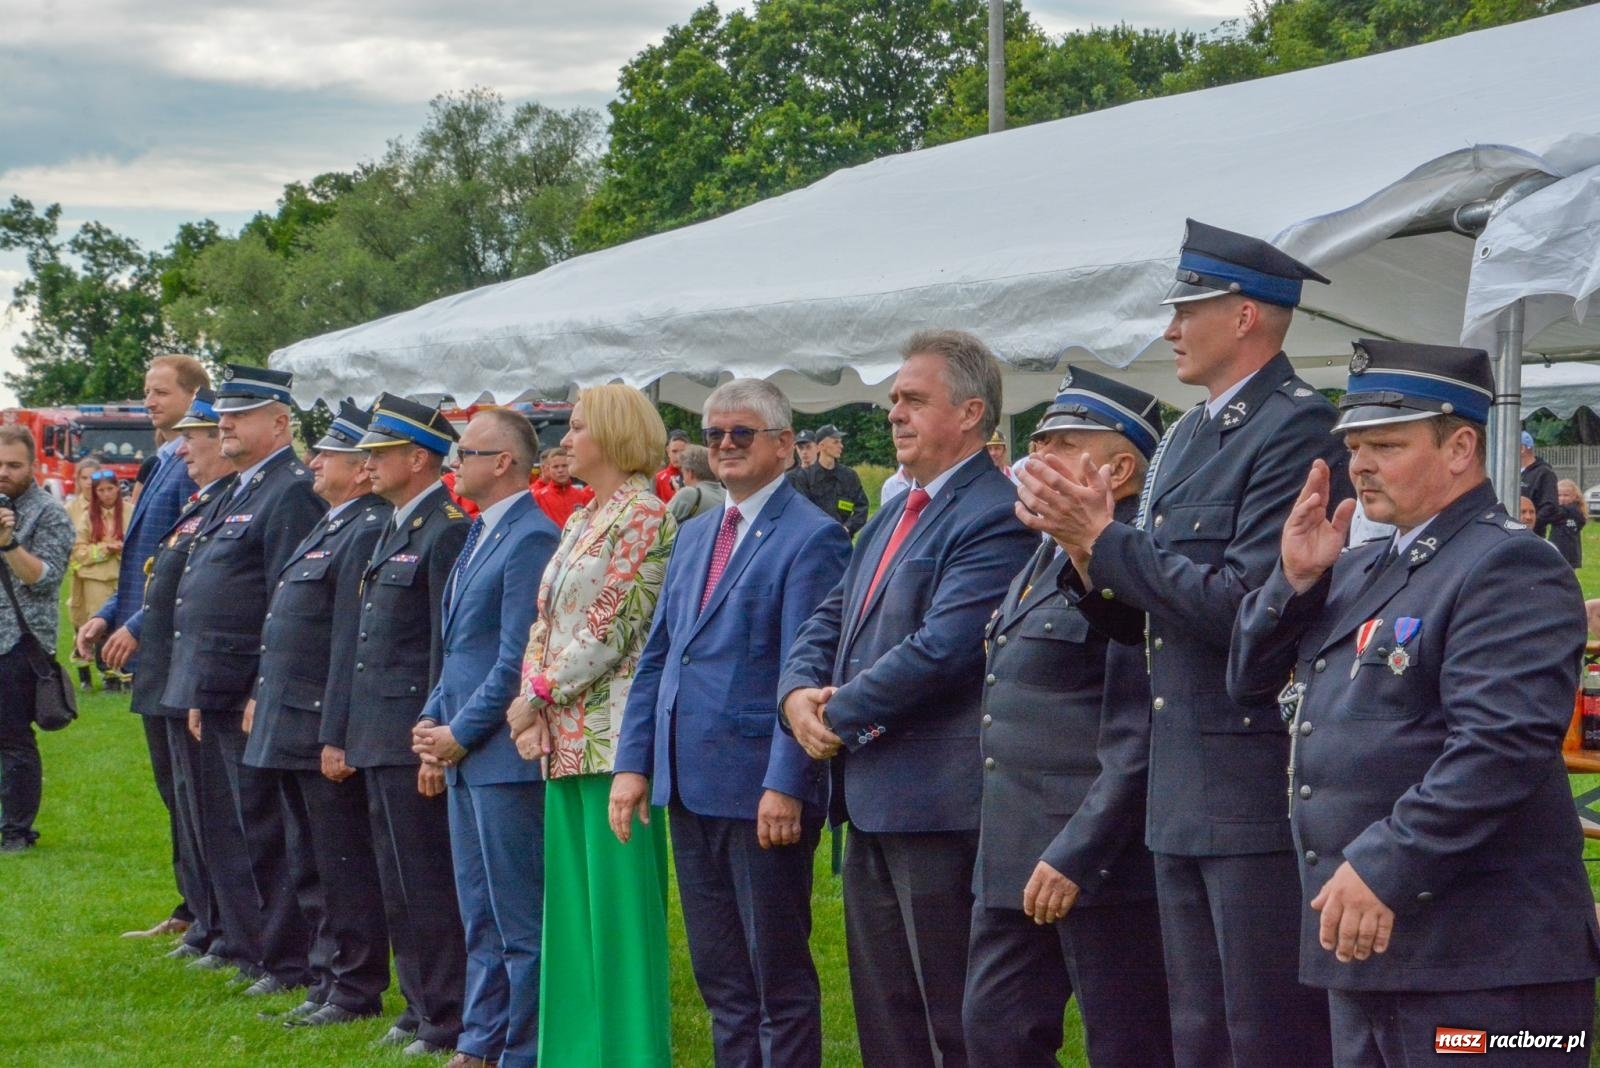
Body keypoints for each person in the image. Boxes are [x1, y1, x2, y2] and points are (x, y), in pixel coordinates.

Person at [1016, 219, 1345, 1067]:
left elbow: (1245, 606)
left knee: (1263, 1031)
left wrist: (1105, 539)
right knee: (1195, 1032)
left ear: (1243, 316)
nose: (1169, 329)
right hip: (1181, 781)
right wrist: (1088, 556)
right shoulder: (1192, 433)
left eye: (1186, 309)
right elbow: (1148, 613)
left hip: (1246, 781)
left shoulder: (1294, 429)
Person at [1229, 339, 1600, 1066]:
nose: (1360, 464)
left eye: (1386, 444)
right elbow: (1247, 685)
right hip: (1373, 948)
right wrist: (1292, 583)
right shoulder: (1363, 561)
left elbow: (1499, 748)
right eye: (1354, 445)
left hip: (1482, 964)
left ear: (1461, 446)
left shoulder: (1507, 562)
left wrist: (1383, 865)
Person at [779, 330, 1037, 1068]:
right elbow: (830, 616)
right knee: (887, 1016)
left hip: (942, 807)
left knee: (953, 1017)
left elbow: (945, 649)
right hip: (871, 798)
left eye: (913, 399)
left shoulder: (995, 513)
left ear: (970, 412)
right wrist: (797, 693)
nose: (894, 412)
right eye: (893, 398)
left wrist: (835, 714)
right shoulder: (896, 511)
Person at [613, 379, 851, 1068]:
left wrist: (786, 782)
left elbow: (801, 672)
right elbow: (659, 657)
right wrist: (635, 765)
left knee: (775, 975)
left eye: (740, 433)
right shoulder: (692, 533)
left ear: (783, 445)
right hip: (688, 786)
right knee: (721, 977)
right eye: (713, 433)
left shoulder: (815, 539)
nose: (722, 445)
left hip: (759, 792)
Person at [963, 367, 1174, 1068]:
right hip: (1013, 852)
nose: (1035, 458)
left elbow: (1139, 732)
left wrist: (1079, 851)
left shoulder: (1133, 564)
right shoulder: (1042, 551)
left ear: (1116, 470)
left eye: (1059, 445)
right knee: (994, 1032)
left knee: (1128, 1045)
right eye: (1040, 441)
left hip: (1097, 861)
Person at [506, 383, 677, 1067]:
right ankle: (576, 1052)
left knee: (619, 916)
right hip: (562, 738)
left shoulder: (646, 516)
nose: (566, 440)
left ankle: (631, 1054)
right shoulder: (581, 518)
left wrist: (538, 694)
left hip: (614, 738)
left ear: (612, 434)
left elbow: (614, 625)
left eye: (578, 428)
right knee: (572, 916)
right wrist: (531, 705)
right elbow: (544, 621)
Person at [164, 365, 327, 992]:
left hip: (252, 688)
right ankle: (253, 945)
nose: (222, 423)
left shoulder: (288, 490)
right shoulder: (240, 486)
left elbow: (286, 602)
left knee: (266, 827)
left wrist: (263, 686)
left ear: (280, 422)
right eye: (223, 415)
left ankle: (284, 958)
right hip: (220, 683)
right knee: (236, 825)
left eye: (239, 415)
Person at [410, 409, 560, 1068]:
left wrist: (459, 735)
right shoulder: (480, 532)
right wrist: (430, 718)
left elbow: (514, 660)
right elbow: (458, 650)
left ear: (504, 462)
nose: (453, 463)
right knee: (480, 914)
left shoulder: (529, 536)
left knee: (518, 920)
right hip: (468, 752)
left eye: (465, 452)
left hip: (501, 756)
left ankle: (520, 1051)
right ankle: (479, 1042)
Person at [243, 400, 394, 1029]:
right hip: (293, 716)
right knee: (311, 860)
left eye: (327, 453)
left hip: (319, 721)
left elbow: (346, 641)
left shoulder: (364, 528)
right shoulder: (334, 521)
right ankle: (328, 974)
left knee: (341, 865)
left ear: (361, 469)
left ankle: (354, 986)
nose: (313, 461)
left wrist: (335, 731)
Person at [331, 392, 471, 1056]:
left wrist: (432, 738)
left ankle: (445, 1013)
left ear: (418, 458)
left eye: (380, 453)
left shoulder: (444, 528)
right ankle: (419, 1004)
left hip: (412, 732)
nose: (368, 465)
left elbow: (446, 645)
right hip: (378, 730)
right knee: (396, 878)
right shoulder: (391, 525)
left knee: (426, 882)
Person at [75, 353, 206, 938]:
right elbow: (143, 564)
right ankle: (192, 908)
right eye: (146, 391)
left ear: (193, 397)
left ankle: (203, 913)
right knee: (172, 787)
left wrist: (138, 624)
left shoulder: (188, 466)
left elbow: (183, 573)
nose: (148, 402)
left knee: (190, 791)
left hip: (172, 650)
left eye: (160, 393)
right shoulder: (162, 463)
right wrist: (107, 614)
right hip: (147, 641)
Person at [112, 391, 235, 968]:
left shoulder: (224, 496)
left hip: (197, 669)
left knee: (209, 807)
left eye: (198, 435)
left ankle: (219, 924)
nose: (184, 446)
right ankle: (201, 917)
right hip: (169, 663)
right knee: (184, 802)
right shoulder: (191, 485)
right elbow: (153, 567)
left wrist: (131, 622)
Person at [0, 426, 75, 853]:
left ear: (33, 466)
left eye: (14, 465)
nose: (4, 473)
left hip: (19, 642)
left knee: (12, 738)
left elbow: (44, 581)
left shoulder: (48, 513)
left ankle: (16, 830)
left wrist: (8, 543)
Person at [67, 468, 124, 692]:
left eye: (110, 489)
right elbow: (77, 550)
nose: (106, 494)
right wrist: (102, 549)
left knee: (122, 625)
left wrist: (120, 548)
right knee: (95, 625)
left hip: (122, 577)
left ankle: (122, 674)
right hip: (95, 579)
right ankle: (98, 674)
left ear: (118, 489)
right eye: (100, 490)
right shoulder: (86, 516)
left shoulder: (129, 511)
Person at [789, 424, 869, 536]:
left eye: (840, 442)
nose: (841, 446)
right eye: (835, 442)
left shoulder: (849, 476)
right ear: (821, 446)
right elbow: (803, 512)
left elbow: (862, 507)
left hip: (842, 542)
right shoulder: (804, 477)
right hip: (815, 541)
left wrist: (847, 528)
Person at [531, 445, 593, 530]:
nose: (560, 470)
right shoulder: (538, 497)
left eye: (564, 466)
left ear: (570, 466)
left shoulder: (582, 496)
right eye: (555, 467)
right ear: (548, 469)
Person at [665, 443, 725, 522]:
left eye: (683, 472)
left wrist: (679, 493)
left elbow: (658, 523)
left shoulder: (689, 493)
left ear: (690, 473)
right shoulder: (727, 495)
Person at [1518, 431, 1561, 538]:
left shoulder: (1544, 473)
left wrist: (1530, 524)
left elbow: (1550, 506)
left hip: (1533, 536)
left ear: (1522, 449)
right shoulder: (1511, 473)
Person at [1553, 478, 1587, 568]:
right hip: (1558, 548)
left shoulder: (1575, 511)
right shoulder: (1559, 511)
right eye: (1559, 495)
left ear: (1575, 496)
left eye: (1566, 495)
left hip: (1570, 551)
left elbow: (1581, 522)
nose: (1562, 498)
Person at [653, 428, 690, 501]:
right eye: (674, 451)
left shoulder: (696, 476)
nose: (678, 456)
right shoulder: (658, 479)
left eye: (682, 451)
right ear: (668, 451)